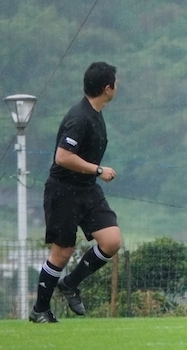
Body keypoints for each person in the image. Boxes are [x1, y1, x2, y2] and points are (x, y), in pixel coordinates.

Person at [29, 62, 121, 323]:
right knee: (62, 253)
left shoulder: (96, 113)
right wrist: (98, 170)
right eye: (116, 83)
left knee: (112, 240)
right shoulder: (79, 117)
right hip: (63, 192)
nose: (118, 86)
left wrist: (93, 175)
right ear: (107, 88)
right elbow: (62, 157)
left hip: (87, 189)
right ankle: (40, 310)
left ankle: (70, 283)